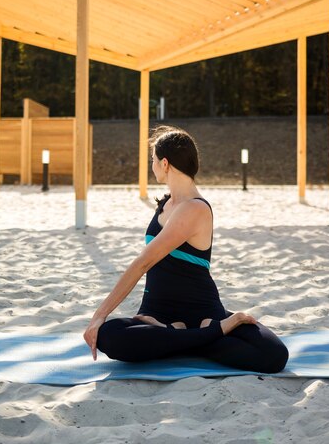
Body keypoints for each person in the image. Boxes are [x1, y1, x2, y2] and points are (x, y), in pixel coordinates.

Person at [83, 126, 289, 373]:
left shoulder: (195, 209)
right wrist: (103, 323)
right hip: (155, 315)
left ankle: (192, 335)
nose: (153, 166)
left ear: (166, 163)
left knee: (273, 354)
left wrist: (99, 314)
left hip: (202, 312)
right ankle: (201, 337)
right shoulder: (167, 203)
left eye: (153, 161)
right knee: (109, 337)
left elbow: (143, 263)